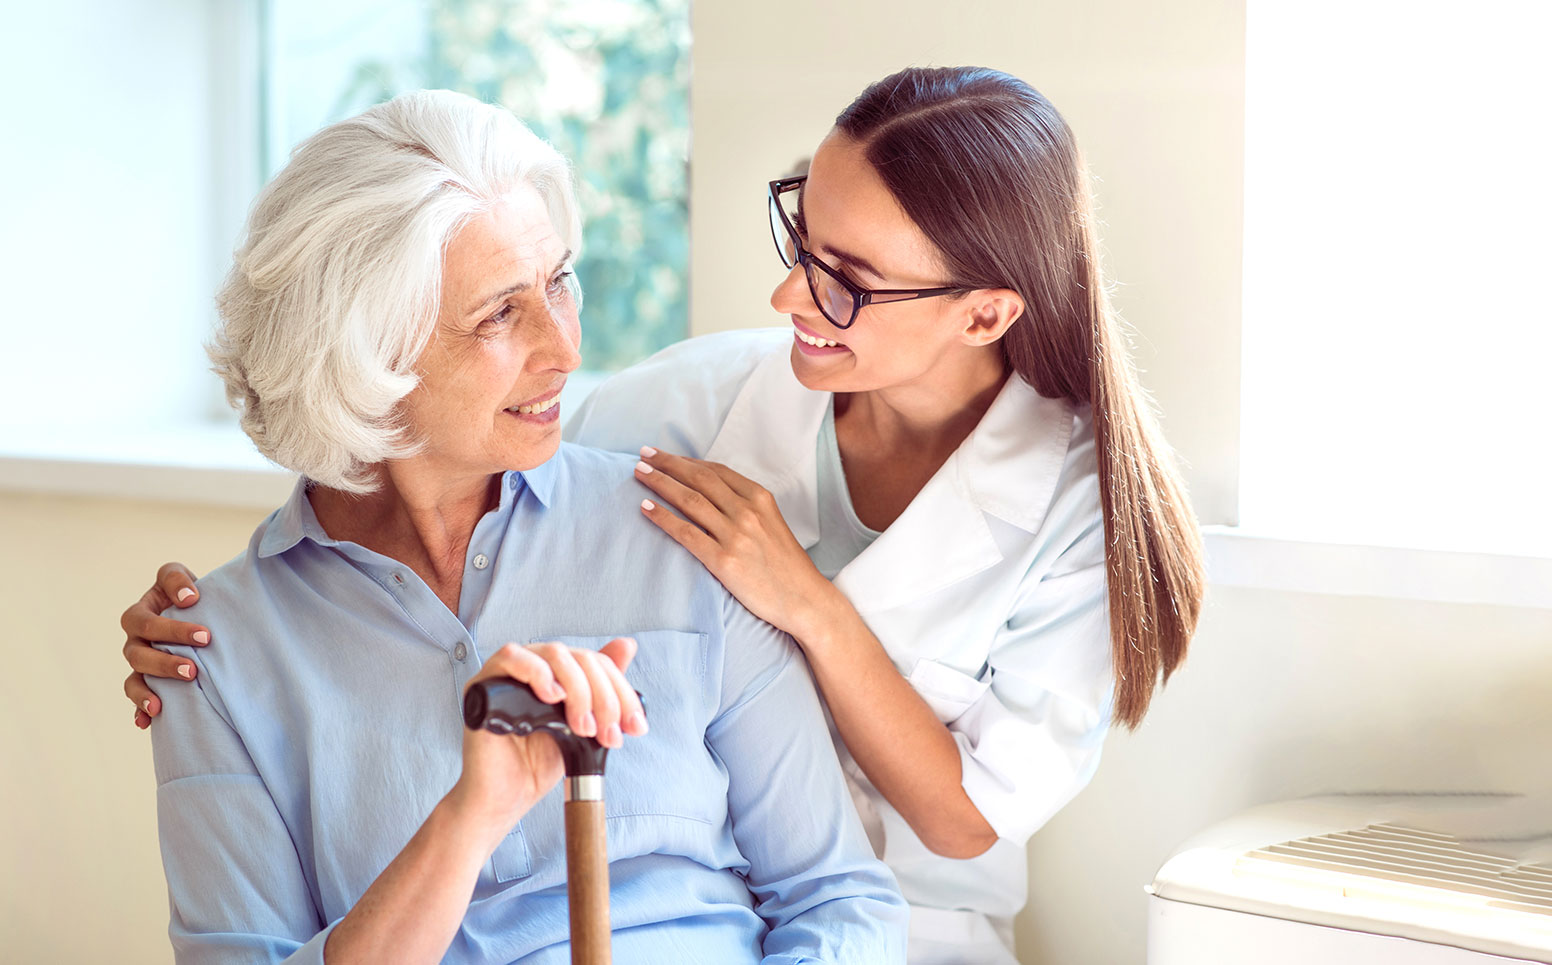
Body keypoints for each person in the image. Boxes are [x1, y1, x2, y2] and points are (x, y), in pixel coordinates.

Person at [125, 67, 1204, 964]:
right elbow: (424, 457)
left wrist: (808, 603)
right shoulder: (677, 427)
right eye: (505, 310)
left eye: (848, 279)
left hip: (912, 916)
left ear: (984, 312)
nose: (561, 348)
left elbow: (916, 849)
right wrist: (228, 627)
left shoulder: (1060, 508)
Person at [141, 88, 908, 963]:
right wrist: (472, 816)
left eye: (559, 282)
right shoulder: (214, 655)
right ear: (364, 357)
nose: (565, 346)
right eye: (501, 312)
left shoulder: (685, 532)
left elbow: (839, 897)